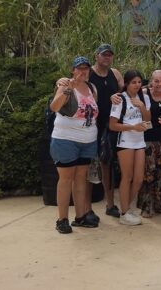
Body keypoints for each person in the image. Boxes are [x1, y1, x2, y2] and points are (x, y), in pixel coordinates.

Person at [50, 56, 99, 234]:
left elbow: (94, 113)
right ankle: (62, 219)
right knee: (66, 179)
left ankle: (80, 216)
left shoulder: (92, 88)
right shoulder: (64, 85)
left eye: (85, 69)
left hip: (87, 140)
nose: (82, 72)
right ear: (73, 70)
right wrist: (67, 90)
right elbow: (54, 107)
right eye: (79, 68)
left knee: (80, 179)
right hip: (66, 139)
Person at [109, 70, 151, 226]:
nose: (137, 85)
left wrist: (141, 107)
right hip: (125, 141)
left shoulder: (144, 97)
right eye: (133, 82)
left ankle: (127, 207)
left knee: (139, 178)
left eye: (139, 82)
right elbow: (112, 125)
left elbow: (148, 119)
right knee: (127, 177)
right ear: (126, 83)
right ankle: (124, 212)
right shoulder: (120, 99)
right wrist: (133, 127)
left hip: (139, 141)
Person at [88, 43, 124, 218]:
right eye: (104, 55)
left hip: (110, 127)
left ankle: (110, 204)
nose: (107, 57)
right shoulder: (88, 74)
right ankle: (86, 208)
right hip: (91, 127)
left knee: (107, 165)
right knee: (89, 166)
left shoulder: (115, 74)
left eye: (109, 55)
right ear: (97, 56)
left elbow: (128, 92)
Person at [137, 69, 161, 218]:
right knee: (148, 173)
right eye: (156, 81)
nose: (159, 84)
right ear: (151, 81)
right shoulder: (144, 95)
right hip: (148, 139)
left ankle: (160, 205)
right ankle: (145, 207)